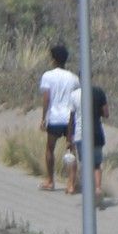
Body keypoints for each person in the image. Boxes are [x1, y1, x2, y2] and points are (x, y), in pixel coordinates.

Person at [38, 41, 77, 190]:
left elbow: (47, 98)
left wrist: (43, 118)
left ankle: (50, 180)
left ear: (54, 59)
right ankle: (71, 184)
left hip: (54, 118)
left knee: (50, 149)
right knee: (70, 150)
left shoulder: (48, 76)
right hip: (69, 119)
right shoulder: (73, 78)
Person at [67, 78, 110, 200]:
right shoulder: (99, 92)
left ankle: (87, 192)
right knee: (96, 164)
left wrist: (69, 137)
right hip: (97, 133)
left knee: (85, 164)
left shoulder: (74, 95)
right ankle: (97, 188)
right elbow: (106, 114)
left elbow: (71, 118)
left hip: (81, 134)